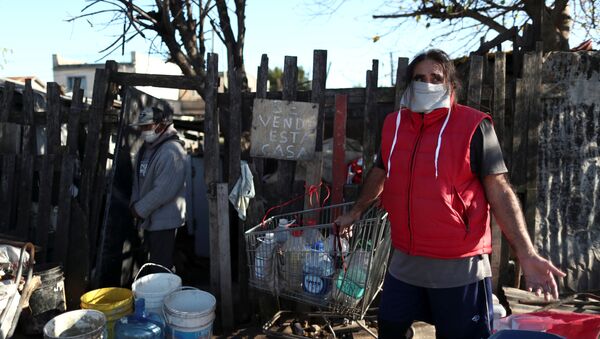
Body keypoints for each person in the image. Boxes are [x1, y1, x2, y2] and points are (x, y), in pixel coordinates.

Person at [335, 49, 566, 338]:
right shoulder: (393, 125)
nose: (426, 84)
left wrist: (527, 254)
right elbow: (381, 171)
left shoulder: (473, 125)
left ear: (450, 85)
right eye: (419, 78)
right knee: (391, 328)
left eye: (436, 78)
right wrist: (355, 211)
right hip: (405, 259)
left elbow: (499, 190)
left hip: (460, 265)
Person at [130, 105, 187, 271]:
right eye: (141, 127)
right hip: (148, 218)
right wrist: (134, 204)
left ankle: (165, 295)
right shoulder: (145, 149)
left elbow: (163, 191)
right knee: (155, 263)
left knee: (161, 267)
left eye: (147, 127)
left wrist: (139, 209)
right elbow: (137, 180)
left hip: (164, 221)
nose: (143, 131)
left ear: (160, 126)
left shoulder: (172, 151)